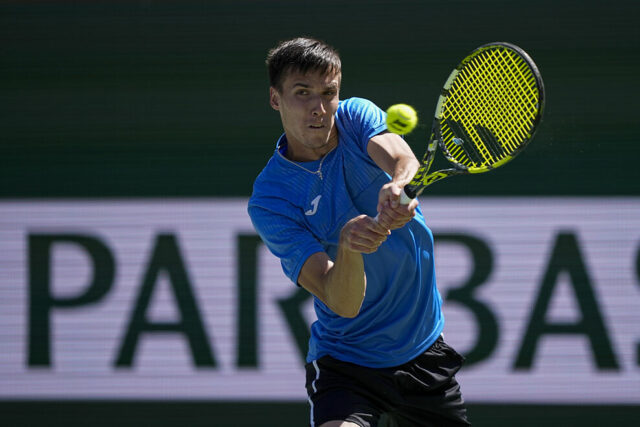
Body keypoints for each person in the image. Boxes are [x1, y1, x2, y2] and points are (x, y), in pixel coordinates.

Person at [248, 37, 470, 427]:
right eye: (302, 93)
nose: (319, 109)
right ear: (274, 98)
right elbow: (343, 302)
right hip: (347, 363)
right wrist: (350, 248)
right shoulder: (270, 199)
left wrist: (397, 185)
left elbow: (401, 156)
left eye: (328, 93)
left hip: (422, 349)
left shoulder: (354, 117)